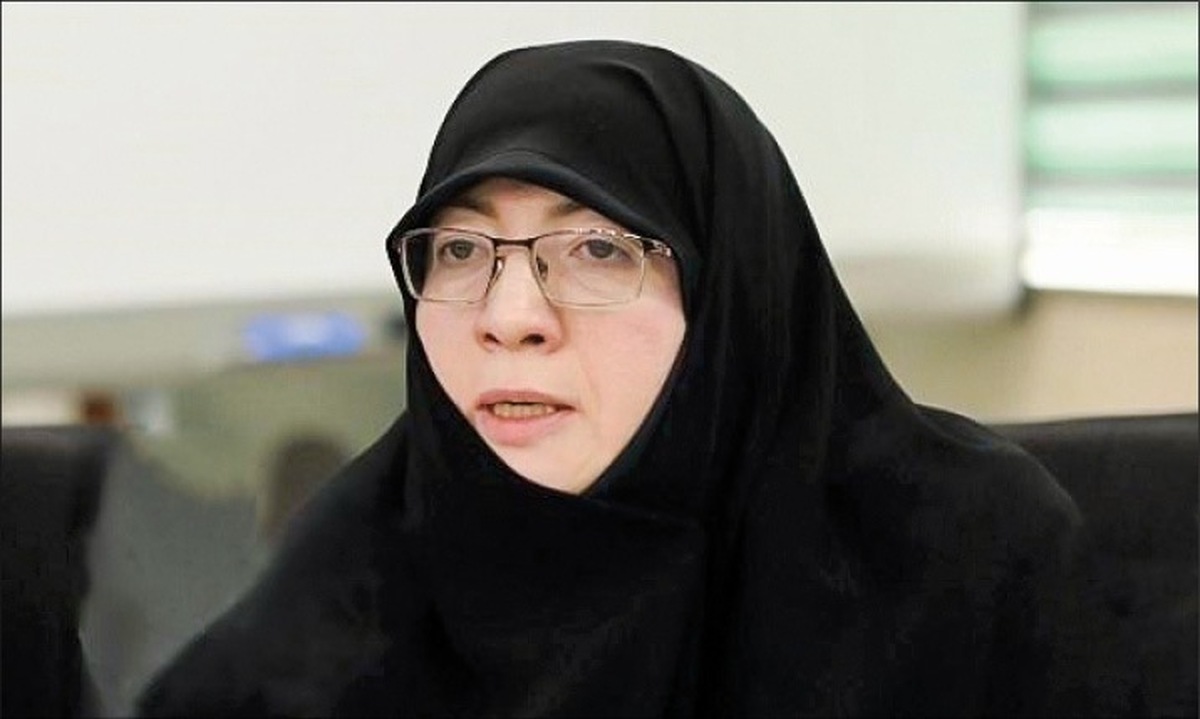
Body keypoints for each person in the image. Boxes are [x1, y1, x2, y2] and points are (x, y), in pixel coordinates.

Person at [136, 40, 1081, 716]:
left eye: (595, 247)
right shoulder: (340, 589)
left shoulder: (961, 555)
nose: (508, 317)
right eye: (460, 249)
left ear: (730, 290)